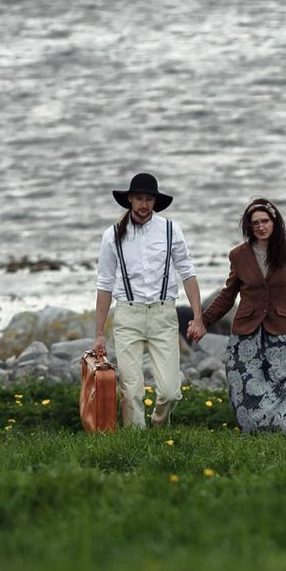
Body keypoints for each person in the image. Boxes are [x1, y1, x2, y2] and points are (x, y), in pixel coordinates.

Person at [199, 197, 286, 436]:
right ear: (249, 226)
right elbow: (228, 295)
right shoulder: (238, 255)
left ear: (274, 222)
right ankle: (255, 431)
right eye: (254, 222)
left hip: (280, 331)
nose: (260, 226)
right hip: (245, 334)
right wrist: (203, 321)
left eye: (265, 221)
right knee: (247, 390)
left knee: (282, 385)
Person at [92, 170, 203, 429]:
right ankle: (135, 444)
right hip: (128, 315)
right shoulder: (111, 235)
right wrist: (99, 333)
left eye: (149, 200)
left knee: (169, 391)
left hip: (163, 315)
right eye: (139, 199)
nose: (144, 205)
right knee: (131, 391)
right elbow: (105, 283)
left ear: (155, 202)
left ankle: (157, 425)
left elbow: (187, 272)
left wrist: (198, 317)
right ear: (130, 199)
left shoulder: (170, 230)